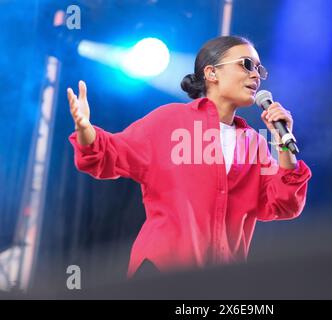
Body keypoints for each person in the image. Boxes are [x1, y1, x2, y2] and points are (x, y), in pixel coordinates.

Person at [67, 35, 312, 278]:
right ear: (212, 73)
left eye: (259, 68)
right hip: (161, 274)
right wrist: (85, 129)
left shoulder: (255, 144)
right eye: (247, 64)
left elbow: (284, 204)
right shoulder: (170, 122)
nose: (256, 74)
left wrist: (282, 143)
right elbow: (108, 154)